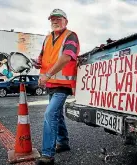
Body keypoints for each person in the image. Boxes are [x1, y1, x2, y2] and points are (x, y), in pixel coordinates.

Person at [33, 9, 80, 165]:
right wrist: (37, 64)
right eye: (52, 19)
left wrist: (47, 74)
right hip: (51, 84)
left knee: (50, 114)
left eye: (59, 19)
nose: (55, 21)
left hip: (63, 85)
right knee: (57, 114)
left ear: (66, 21)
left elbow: (66, 57)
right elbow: (42, 59)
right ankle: (64, 142)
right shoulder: (47, 39)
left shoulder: (71, 36)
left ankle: (47, 155)